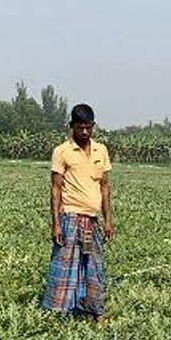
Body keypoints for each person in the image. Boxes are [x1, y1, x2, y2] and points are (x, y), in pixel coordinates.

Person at [41, 104, 114, 323]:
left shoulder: (101, 151)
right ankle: (57, 314)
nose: (84, 132)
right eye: (80, 127)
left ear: (93, 127)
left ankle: (94, 311)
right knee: (64, 266)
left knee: (94, 266)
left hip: (92, 221)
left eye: (88, 128)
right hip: (70, 218)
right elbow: (55, 190)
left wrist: (108, 220)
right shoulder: (62, 151)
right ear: (72, 126)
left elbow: (105, 187)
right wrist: (56, 224)